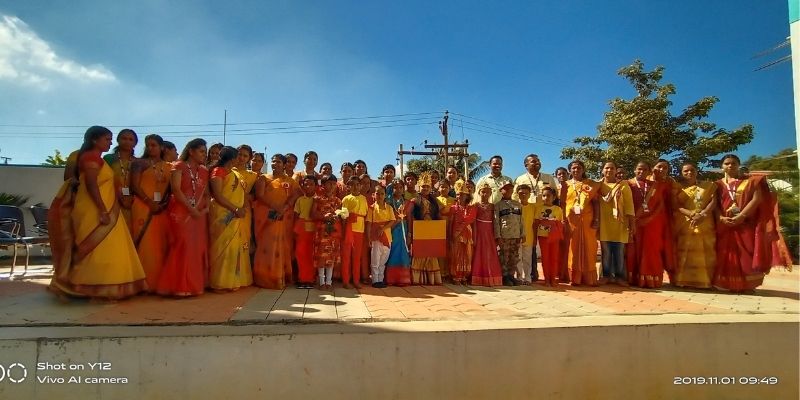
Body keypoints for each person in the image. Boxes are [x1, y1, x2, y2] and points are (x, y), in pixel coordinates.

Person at [48, 126, 147, 300]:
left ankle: (99, 286)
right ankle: (86, 286)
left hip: (103, 206)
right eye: (107, 139)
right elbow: (91, 184)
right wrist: (102, 209)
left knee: (106, 248)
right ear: (95, 140)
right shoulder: (90, 157)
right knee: (94, 247)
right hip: (93, 208)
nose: (110, 142)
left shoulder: (98, 159)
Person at [713, 154, 790, 292]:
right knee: (726, 254)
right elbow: (715, 204)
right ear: (722, 166)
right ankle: (729, 284)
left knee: (747, 253)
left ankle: (748, 285)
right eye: (727, 163)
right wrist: (721, 218)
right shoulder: (717, 185)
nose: (730, 165)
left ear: (739, 165)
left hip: (746, 223)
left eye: (734, 163)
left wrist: (741, 216)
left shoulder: (751, 181)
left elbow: (757, 199)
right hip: (725, 225)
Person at [156, 138, 210, 297]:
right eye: (201, 151)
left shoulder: (204, 171)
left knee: (195, 249)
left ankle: (193, 286)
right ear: (191, 151)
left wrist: (205, 208)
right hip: (181, 212)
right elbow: (176, 190)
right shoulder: (179, 166)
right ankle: (177, 286)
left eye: (205, 152)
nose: (204, 155)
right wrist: (191, 210)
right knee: (182, 245)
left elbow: (206, 193)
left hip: (198, 215)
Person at [130, 134, 172, 292]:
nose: (150, 148)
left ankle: (158, 284)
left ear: (162, 147)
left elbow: (171, 190)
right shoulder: (139, 163)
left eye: (153, 145)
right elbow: (134, 186)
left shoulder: (169, 166)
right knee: (145, 245)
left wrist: (163, 204)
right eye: (147, 145)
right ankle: (143, 284)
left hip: (162, 209)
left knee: (160, 245)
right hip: (142, 207)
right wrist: (149, 202)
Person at [208, 146, 252, 291]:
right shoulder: (218, 171)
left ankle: (231, 281)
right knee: (222, 248)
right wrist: (235, 209)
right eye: (238, 156)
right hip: (222, 215)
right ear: (232, 158)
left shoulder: (235, 173)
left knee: (233, 249)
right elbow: (217, 195)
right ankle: (218, 283)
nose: (240, 158)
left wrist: (241, 209)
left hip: (236, 215)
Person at [253, 154, 299, 289]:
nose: (275, 164)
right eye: (273, 161)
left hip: (283, 217)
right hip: (266, 216)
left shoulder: (290, 181)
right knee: (266, 246)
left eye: (279, 162)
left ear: (284, 165)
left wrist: (284, 208)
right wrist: (276, 207)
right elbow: (260, 195)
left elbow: (297, 194)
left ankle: (279, 276)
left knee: (282, 246)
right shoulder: (264, 178)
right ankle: (264, 278)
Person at [672, 162, 716, 289]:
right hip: (685, 222)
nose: (689, 173)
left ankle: (705, 281)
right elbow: (675, 205)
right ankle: (682, 280)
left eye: (692, 170)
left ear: (697, 171)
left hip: (705, 222)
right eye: (685, 171)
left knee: (706, 251)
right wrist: (691, 214)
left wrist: (703, 214)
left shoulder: (708, 185)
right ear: (681, 173)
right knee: (685, 250)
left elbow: (713, 201)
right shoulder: (678, 188)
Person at [626, 161, 669, 288]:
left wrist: (650, 218)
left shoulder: (655, 186)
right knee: (632, 250)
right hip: (633, 222)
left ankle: (650, 279)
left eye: (645, 170)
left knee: (650, 250)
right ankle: (633, 278)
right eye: (639, 169)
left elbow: (660, 204)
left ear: (649, 172)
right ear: (634, 170)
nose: (641, 172)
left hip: (651, 223)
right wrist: (632, 220)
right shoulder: (628, 184)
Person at [597, 161, 635, 286]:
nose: (609, 170)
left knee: (619, 252)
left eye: (612, 168)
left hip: (620, 224)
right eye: (606, 168)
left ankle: (620, 277)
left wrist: (632, 224)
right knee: (606, 252)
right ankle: (606, 276)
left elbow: (629, 206)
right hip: (604, 224)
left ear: (616, 170)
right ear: (602, 170)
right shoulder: (598, 185)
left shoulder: (623, 185)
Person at [565, 160, 600, 286]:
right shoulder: (565, 185)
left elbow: (595, 202)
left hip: (588, 219)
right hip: (571, 221)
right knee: (573, 248)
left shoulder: (590, 184)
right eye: (573, 168)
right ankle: (575, 278)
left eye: (579, 168)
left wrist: (596, 219)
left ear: (583, 169)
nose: (576, 170)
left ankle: (589, 278)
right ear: (569, 170)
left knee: (589, 247)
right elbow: (561, 203)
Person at [408, 172, 443, 285]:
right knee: (419, 253)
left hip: (431, 231)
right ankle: (417, 280)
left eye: (427, 186)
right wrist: (410, 232)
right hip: (419, 230)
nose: (425, 188)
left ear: (430, 187)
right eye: (423, 186)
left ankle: (432, 280)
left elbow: (438, 215)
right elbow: (410, 216)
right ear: (419, 187)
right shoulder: (414, 201)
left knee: (431, 254)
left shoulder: (435, 201)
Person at [103, 128, 138, 231]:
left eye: (131, 139)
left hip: (132, 203)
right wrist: (119, 195)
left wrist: (131, 198)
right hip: (112, 200)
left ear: (135, 143)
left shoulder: (138, 162)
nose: (127, 141)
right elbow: (104, 180)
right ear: (118, 140)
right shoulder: (108, 159)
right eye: (124, 138)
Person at [312, 174, 343, 290]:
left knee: (331, 256)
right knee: (321, 256)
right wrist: (323, 216)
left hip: (333, 232)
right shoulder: (317, 198)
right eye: (329, 183)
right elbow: (312, 214)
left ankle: (329, 282)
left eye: (334, 184)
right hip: (321, 232)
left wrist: (337, 217)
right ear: (323, 185)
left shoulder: (338, 201)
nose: (331, 186)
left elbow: (340, 215)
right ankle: (321, 282)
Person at [532, 187, 566, 287]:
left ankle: (553, 279)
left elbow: (561, 224)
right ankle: (547, 279)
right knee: (545, 258)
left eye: (548, 195)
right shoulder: (539, 209)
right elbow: (535, 224)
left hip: (554, 237)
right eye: (544, 195)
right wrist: (534, 238)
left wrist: (553, 224)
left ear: (554, 197)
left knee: (554, 258)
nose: (546, 198)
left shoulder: (558, 209)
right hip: (543, 236)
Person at [471, 183, 502, 286]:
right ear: (479, 193)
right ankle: (479, 278)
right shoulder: (475, 205)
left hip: (489, 232)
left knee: (490, 254)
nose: (485, 194)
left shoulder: (493, 206)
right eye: (483, 192)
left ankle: (491, 277)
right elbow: (474, 222)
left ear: (490, 193)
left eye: (487, 192)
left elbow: (495, 221)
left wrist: (496, 235)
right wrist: (474, 235)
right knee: (479, 254)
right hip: (479, 231)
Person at [495, 180, 525, 286]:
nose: (508, 190)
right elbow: (496, 221)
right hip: (504, 235)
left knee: (514, 256)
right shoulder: (498, 205)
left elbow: (521, 220)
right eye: (506, 188)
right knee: (504, 256)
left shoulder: (518, 205)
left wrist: (523, 234)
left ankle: (511, 275)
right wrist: (498, 236)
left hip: (516, 235)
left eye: (510, 188)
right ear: (501, 190)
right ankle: (504, 277)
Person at [341, 176, 369, 289]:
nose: (355, 187)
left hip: (360, 230)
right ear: (348, 186)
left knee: (357, 257)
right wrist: (344, 231)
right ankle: (345, 280)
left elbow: (365, 214)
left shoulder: (363, 198)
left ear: (360, 186)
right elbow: (343, 216)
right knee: (346, 256)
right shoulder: (346, 199)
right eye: (352, 185)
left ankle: (356, 280)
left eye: (357, 184)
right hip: (349, 229)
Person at [367, 185, 397, 288]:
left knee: (384, 259)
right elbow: (369, 224)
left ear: (385, 195)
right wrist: (368, 237)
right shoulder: (371, 208)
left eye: (382, 194)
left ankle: (381, 279)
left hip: (387, 236)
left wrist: (383, 228)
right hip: (376, 237)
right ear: (374, 195)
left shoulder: (389, 207)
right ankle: (375, 280)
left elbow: (392, 220)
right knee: (375, 259)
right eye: (377, 193)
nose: (379, 196)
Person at [385, 179, 412, 286]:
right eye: (395, 187)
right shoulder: (389, 202)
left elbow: (409, 218)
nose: (398, 189)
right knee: (393, 252)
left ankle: (403, 279)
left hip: (403, 229)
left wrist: (409, 234)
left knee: (403, 253)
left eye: (401, 187)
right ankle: (391, 279)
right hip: (393, 229)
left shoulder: (407, 203)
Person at [449, 180, 477, 284]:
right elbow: (450, 223)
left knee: (467, 256)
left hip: (468, 235)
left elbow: (472, 222)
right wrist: (450, 235)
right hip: (456, 235)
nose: (459, 196)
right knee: (456, 255)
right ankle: (456, 276)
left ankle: (465, 276)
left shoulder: (472, 208)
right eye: (458, 194)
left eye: (462, 194)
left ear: (466, 196)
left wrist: (474, 237)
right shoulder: (453, 208)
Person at [234, 145, 259, 257]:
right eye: (239, 154)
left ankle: (242, 266)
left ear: (249, 158)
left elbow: (255, 196)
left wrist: (245, 196)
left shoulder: (253, 176)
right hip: (226, 208)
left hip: (244, 210)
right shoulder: (227, 171)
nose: (241, 158)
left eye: (245, 156)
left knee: (244, 237)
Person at [294, 175, 318, 289]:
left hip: (314, 229)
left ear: (316, 186)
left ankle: (310, 279)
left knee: (311, 254)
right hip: (302, 228)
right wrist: (295, 230)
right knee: (300, 253)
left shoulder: (318, 199)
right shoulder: (300, 200)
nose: (308, 186)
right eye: (306, 184)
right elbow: (296, 215)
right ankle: (302, 278)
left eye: (311, 184)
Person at [516, 184, 536, 284]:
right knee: (518, 259)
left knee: (527, 259)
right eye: (521, 193)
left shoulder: (533, 207)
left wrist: (535, 238)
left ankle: (528, 278)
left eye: (526, 193)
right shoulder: (515, 206)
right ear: (517, 194)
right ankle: (519, 278)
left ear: (529, 194)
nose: (523, 195)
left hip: (529, 237)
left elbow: (535, 224)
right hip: (517, 237)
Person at [554, 166, 571, 283]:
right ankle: (557, 273)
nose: (561, 176)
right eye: (559, 174)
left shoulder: (572, 187)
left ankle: (566, 274)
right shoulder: (555, 189)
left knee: (567, 248)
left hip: (569, 220)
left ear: (568, 174)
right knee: (557, 248)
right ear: (556, 176)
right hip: (557, 221)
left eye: (564, 173)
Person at [436, 180, 455, 281]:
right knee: (440, 248)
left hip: (451, 225)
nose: (443, 189)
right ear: (438, 188)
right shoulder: (436, 200)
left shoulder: (454, 200)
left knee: (450, 248)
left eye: (446, 187)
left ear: (449, 188)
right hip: (439, 226)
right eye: (442, 187)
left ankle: (450, 272)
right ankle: (441, 272)